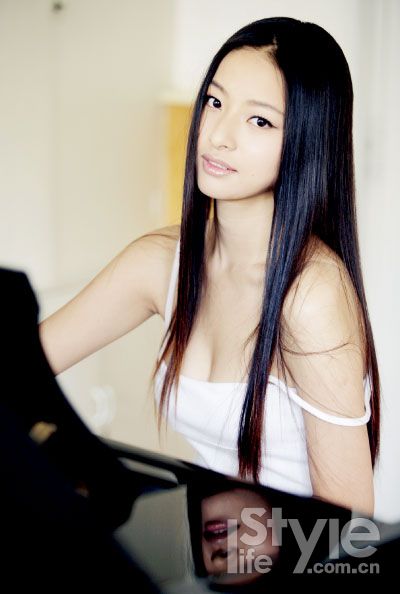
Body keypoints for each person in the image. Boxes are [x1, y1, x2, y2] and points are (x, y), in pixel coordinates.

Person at [39, 17, 380, 518]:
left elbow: (349, 527)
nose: (218, 135)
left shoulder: (310, 294)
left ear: (307, 142)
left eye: (259, 121)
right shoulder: (160, 261)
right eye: (215, 102)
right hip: (207, 545)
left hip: (292, 552)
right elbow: (21, 366)